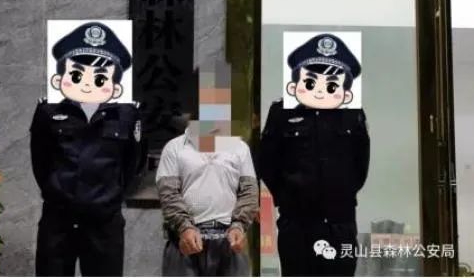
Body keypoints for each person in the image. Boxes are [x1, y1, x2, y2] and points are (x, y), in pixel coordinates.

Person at [29, 22, 141, 277]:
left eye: (100, 78)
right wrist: (59, 191)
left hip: (104, 222)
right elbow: (40, 161)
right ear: (60, 79)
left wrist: (108, 197)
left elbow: (132, 164)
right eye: (77, 76)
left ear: (115, 85)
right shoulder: (49, 110)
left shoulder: (127, 114)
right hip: (58, 220)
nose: (88, 85)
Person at [259, 33, 370, 276]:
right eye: (310, 83)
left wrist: (340, 192)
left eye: (331, 85)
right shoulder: (282, 113)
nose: (320, 91)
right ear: (295, 85)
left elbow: (360, 164)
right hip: (297, 224)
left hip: (339, 223)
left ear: (345, 91)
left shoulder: (352, 115)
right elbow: (268, 163)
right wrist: (288, 196)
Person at [156, 127, 259, 276]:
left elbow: (249, 191)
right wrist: (184, 227)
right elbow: (168, 192)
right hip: (185, 242)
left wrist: (239, 226)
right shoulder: (174, 147)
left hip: (229, 241)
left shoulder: (240, 148)